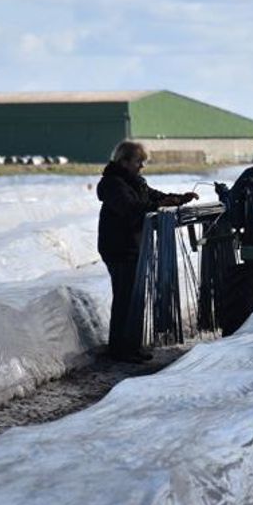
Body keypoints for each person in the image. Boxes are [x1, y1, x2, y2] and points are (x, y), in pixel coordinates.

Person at [97, 141, 199, 363]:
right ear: (124, 161)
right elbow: (130, 208)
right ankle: (121, 349)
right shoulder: (114, 185)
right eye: (138, 162)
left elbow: (154, 197)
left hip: (134, 247)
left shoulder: (133, 182)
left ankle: (130, 346)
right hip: (120, 248)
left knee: (133, 298)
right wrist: (159, 205)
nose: (141, 166)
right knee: (126, 298)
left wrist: (179, 198)